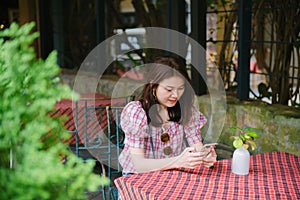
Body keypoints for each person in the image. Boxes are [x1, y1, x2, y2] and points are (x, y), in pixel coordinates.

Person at [119, 55, 217, 174]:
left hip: (174, 173)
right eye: (169, 90)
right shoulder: (137, 112)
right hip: (139, 177)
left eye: (181, 88)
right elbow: (139, 164)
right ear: (153, 85)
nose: (176, 95)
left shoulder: (186, 110)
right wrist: (178, 161)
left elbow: (196, 145)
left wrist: (205, 156)